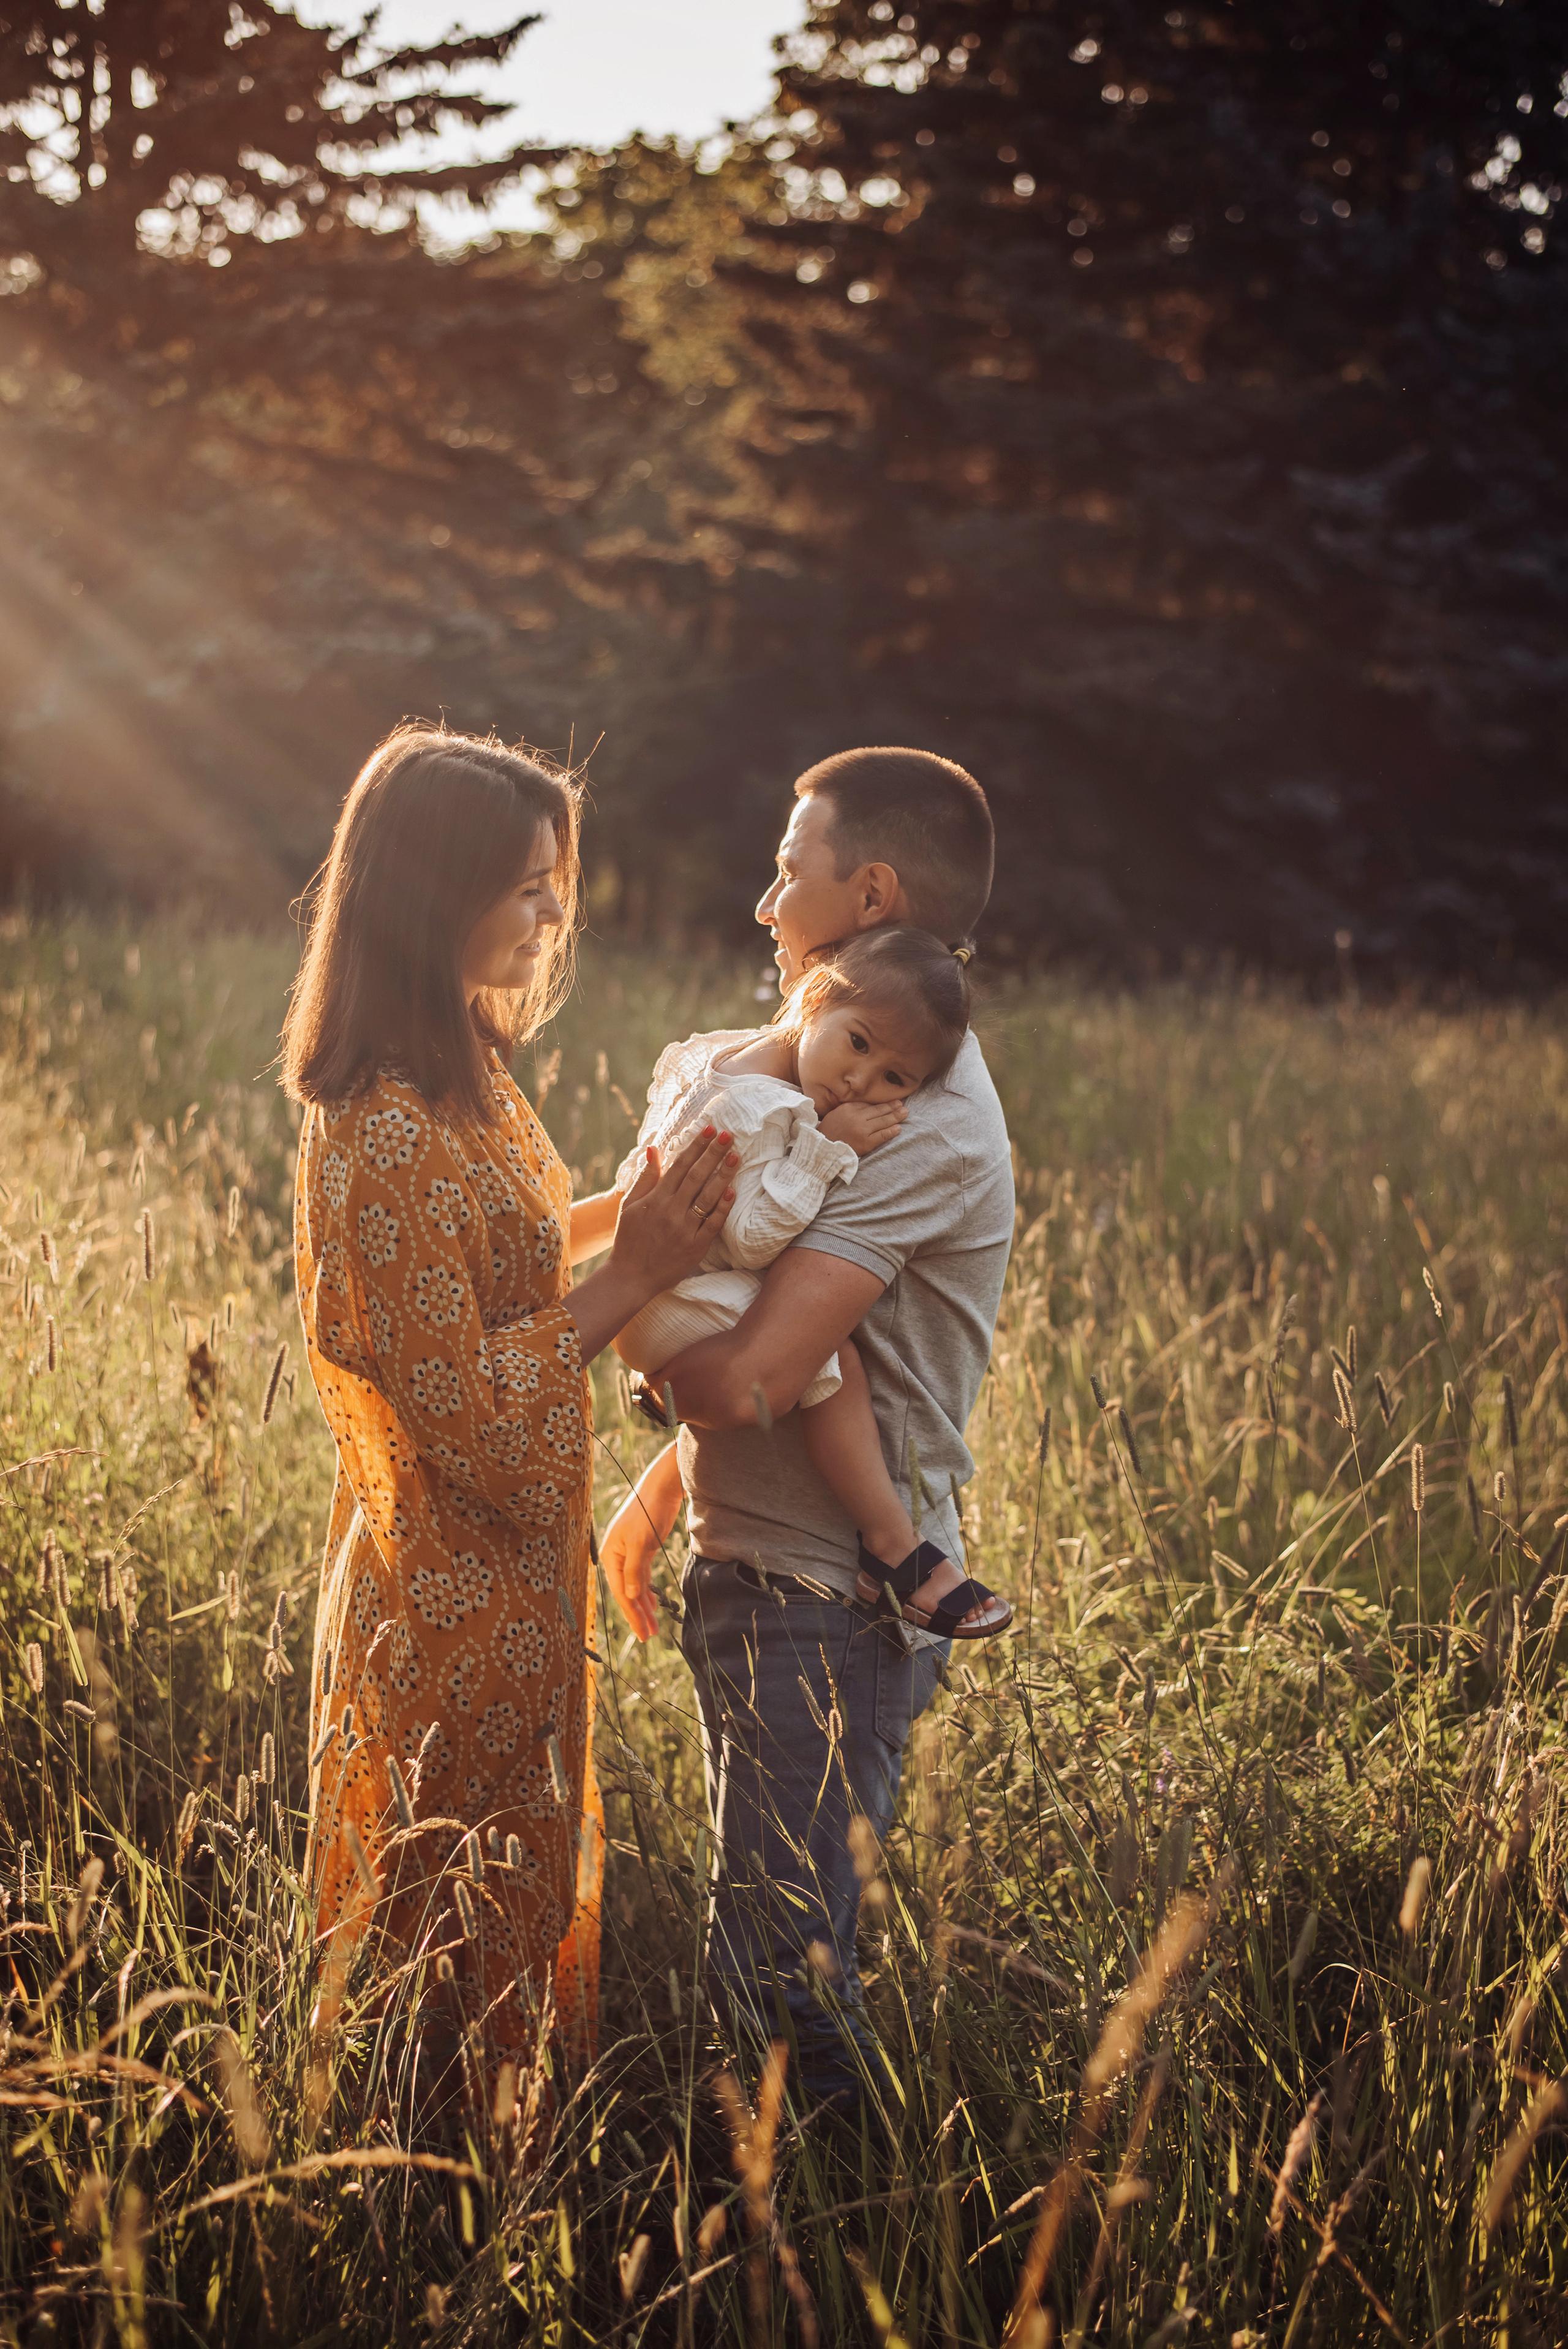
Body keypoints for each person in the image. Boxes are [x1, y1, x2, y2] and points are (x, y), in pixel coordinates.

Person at [280, 721, 739, 2091]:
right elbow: (472, 1418)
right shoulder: (379, 1128)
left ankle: (506, 2195)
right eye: (530, 883)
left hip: (512, 1601)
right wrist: (642, 1270)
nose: (557, 913)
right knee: (440, 1954)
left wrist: (651, 1204)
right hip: (441, 1615)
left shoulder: (466, 1079)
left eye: (560, 879)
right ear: (434, 893)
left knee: (511, 1917)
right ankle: (431, 2235)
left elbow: (523, 1247)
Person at [600, 746, 1014, 2108]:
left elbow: (744, 1375)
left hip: (826, 1602)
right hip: (759, 1574)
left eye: (790, 869)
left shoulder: (916, 1117)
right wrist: (662, 1498)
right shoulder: (820, 1071)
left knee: (781, 1998)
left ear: (869, 892)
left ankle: (832, 2272)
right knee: (759, 1969)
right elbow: (733, 1300)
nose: (764, 900)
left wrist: (626, 1333)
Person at [614, 925, 1010, 1638]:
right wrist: (827, 1154)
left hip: (666, 1299)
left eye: (895, 1079)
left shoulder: (736, 1059)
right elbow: (749, 1237)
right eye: (857, 1043)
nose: (861, 1082)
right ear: (813, 998)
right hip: (668, 1303)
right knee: (828, 1357)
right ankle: (892, 1547)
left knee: (803, 1348)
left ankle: (665, 1395)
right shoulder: (769, 1108)